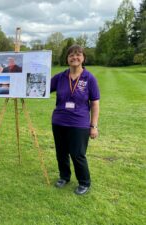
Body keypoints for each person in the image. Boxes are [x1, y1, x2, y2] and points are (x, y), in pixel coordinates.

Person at [50, 45, 100, 195]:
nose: (74, 57)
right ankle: (64, 177)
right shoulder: (60, 77)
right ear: (67, 58)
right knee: (61, 152)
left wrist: (94, 126)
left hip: (79, 123)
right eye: (71, 55)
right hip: (59, 121)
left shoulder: (89, 78)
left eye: (78, 55)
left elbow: (95, 103)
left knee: (77, 154)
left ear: (83, 58)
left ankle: (84, 182)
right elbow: (42, 88)